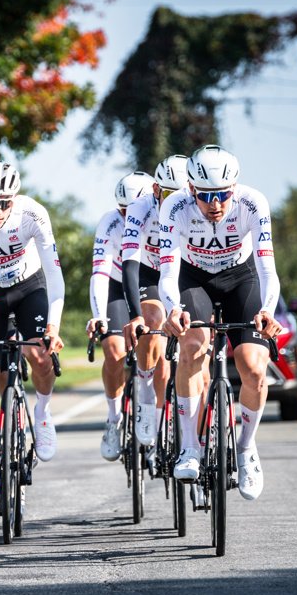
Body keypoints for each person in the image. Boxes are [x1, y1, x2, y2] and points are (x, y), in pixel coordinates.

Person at [160, 144, 282, 500]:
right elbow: (168, 272)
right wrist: (172, 308)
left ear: (235, 188)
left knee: (253, 368)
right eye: (206, 196)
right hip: (193, 278)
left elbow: (266, 269)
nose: (215, 204)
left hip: (240, 277)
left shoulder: (253, 203)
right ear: (192, 190)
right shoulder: (175, 207)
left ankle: (246, 449)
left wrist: (268, 310)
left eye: (223, 195)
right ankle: (190, 447)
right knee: (193, 346)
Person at [0, 161, 65, 516]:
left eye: (4, 202)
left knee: (39, 354)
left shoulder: (32, 214)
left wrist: (53, 325)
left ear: (15, 198)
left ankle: (43, 410)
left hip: (28, 286)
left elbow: (54, 276)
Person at [121, 156, 190, 451]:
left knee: (201, 338)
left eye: (180, 193)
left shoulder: (194, 204)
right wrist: (136, 315)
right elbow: (129, 262)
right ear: (155, 189)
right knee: (150, 321)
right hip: (150, 270)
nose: (173, 200)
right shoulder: (140, 207)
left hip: (188, 269)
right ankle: (146, 393)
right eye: (167, 193)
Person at [87, 172, 154, 462]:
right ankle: (113, 420)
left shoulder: (161, 216)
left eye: (133, 209)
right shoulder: (110, 224)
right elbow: (100, 273)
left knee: (156, 350)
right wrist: (99, 315)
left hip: (150, 280)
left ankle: (152, 413)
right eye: (123, 210)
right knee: (113, 351)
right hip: (116, 283)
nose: (129, 217)